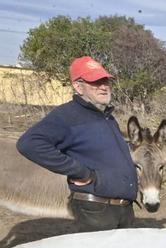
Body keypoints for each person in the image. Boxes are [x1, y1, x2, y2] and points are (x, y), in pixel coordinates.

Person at [17, 56, 138, 231]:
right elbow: (29, 143)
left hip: (123, 209)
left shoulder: (107, 117)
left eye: (105, 80)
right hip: (97, 210)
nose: (104, 86)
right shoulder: (68, 115)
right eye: (95, 82)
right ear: (78, 86)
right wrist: (80, 172)